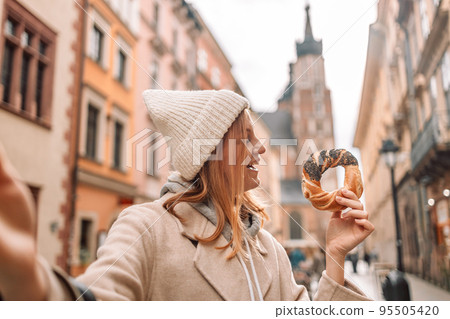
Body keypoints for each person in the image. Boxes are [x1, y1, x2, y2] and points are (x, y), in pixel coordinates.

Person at [0, 89, 375, 301]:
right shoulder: (147, 228)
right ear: (211, 152)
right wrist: (30, 284)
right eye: (246, 137)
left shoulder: (268, 249)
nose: (261, 148)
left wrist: (335, 257)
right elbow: (97, 300)